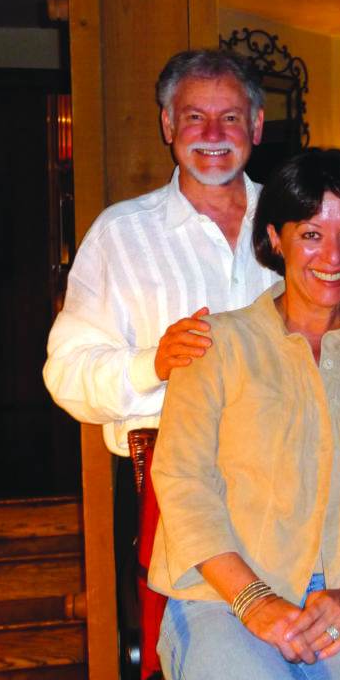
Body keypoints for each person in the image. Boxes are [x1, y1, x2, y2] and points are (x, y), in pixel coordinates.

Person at [148, 148, 340, 680]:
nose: (332, 255)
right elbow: (185, 484)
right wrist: (254, 601)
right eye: (311, 233)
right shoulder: (214, 343)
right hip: (220, 599)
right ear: (276, 238)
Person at [43, 49, 278, 456]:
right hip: (166, 484)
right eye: (193, 117)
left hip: (288, 478)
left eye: (230, 117)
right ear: (168, 124)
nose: (212, 134)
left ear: (256, 125)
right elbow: (66, 373)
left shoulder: (302, 227)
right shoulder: (119, 235)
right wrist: (155, 365)